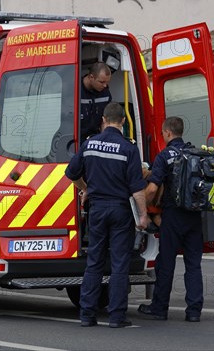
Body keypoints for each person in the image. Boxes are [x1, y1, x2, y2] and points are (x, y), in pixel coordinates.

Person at [65, 102, 149, 328]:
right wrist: (143, 215)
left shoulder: (89, 144)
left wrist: (86, 188)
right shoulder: (129, 148)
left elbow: (71, 173)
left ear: (103, 120)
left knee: (94, 262)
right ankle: (117, 317)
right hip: (120, 210)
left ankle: (87, 315)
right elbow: (136, 188)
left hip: (97, 209)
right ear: (123, 122)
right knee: (119, 263)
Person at [138, 116, 204, 323]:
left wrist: (144, 210)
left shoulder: (165, 156)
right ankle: (194, 311)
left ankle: (159, 308)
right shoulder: (196, 154)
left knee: (166, 263)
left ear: (167, 132)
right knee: (193, 264)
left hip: (173, 215)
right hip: (194, 215)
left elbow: (152, 188)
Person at [80, 62, 112, 140]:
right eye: (102, 82)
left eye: (107, 82)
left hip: (97, 139)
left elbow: (107, 119)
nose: (105, 85)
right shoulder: (75, 91)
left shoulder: (105, 93)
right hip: (77, 140)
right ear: (91, 77)